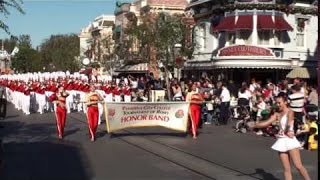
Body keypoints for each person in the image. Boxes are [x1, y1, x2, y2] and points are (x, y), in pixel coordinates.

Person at [248, 93, 311, 180]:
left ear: (285, 102)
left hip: (290, 140)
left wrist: (287, 130)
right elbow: (266, 123)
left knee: (298, 166)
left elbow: (289, 122)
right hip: (281, 140)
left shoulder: (290, 111)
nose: (277, 105)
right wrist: (254, 125)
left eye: (279, 103)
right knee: (286, 169)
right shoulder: (277, 114)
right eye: (276, 103)